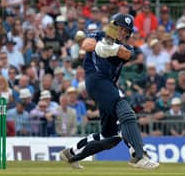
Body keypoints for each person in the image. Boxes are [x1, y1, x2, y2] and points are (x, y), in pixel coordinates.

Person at [60, 14, 159, 169]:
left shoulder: (128, 48)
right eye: (120, 27)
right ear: (113, 26)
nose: (122, 32)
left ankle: (72, 153)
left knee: (110, 136)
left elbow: (125, 54)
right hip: (95, 80)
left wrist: (111, 49)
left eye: (126, 30)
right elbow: (86, 44)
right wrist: (100, 46)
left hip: (107, 87)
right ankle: (138, 155)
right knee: (126, 113)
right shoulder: (98, 35)